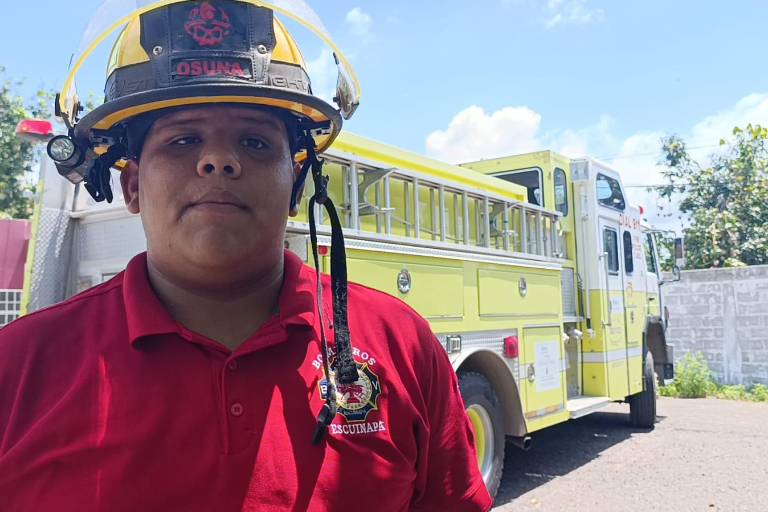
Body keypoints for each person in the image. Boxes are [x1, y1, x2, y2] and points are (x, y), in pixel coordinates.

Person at [0, 1, 493, 511]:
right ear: (132, 186)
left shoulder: (400, 344)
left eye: (256, 142)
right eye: (183, 139)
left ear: (296, 184)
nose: (219, 160)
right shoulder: (17, 367)